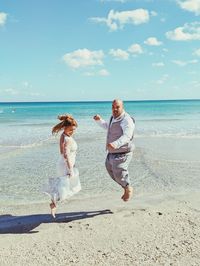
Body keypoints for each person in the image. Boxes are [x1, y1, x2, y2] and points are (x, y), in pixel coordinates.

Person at [93, 99, 135, 202]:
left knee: (118, 171)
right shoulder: (113, 117)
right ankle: (125, 187)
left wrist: (115, 144)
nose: (115, 109)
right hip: (112, 152)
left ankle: (128, 188)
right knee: (109, 169)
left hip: (123, 152)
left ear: (122, 107)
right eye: (113, 107)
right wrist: (99, 120)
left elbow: (127, 136)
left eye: (117, 107)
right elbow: (108, 127)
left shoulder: (126, 119)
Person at [45, 114, 81, 218]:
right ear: (65, 128)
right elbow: (66, 155)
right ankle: (53, 204)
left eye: (74, 130)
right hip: (65, 165)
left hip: (62, 163)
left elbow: (64, 153)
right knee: (64, 187)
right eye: (70, 130)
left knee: (62, 186)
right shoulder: (67, 139)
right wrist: (70, 169)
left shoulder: (64, 136)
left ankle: (53, 203)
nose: (72, 132)